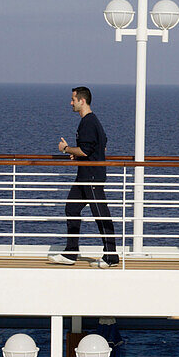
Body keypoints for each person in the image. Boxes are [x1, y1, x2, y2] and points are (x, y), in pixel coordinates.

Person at [49, 86, 120, 268]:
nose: (70, 103)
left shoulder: (88, 122)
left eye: (73, 99)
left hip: (92, 177)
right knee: (71, 208)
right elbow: (101, 144)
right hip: (85, 176)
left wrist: (66, 149)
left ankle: (111, 256)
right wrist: (78, 153)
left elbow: (87, 149)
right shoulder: (92, 121)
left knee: (100, 214)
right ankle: (71, 253)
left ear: (82, 101)